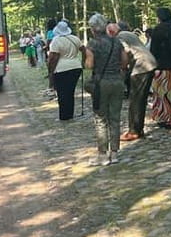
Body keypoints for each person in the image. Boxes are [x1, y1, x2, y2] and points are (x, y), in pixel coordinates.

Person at [85, 13, 128, 166]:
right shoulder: (116, 41)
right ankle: (115, 153)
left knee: (101, 119)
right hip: (117, 81)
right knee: (115, 118)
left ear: (92, 29)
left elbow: (89, 65)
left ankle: (102, 155)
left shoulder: (92, 44)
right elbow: (124, 61)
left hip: (101, 83)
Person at [107, 23, 157, 141]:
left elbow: (125, 54)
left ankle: (134, 131)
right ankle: (138, 129)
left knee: (136, 100)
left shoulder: (119, 38)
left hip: (141, 67)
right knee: (140, 99)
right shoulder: (128, 33)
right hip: (148, 64)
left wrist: (123, 69)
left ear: (111, 32)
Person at [149, 7, 171, 129]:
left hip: (163, 66)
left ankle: (166, 119)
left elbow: (153, 51)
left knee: (163, 94)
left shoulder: (158, 30)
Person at [47, 21, 85, 121]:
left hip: (61, 68)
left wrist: (50, 70)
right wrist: (83, 62)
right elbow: (84, 50)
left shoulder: (56, 41)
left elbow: (53, 58)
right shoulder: (75, 38)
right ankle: (70, 114)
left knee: (62, 93)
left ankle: (64, 116)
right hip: (76, 67)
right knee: (70, 92)